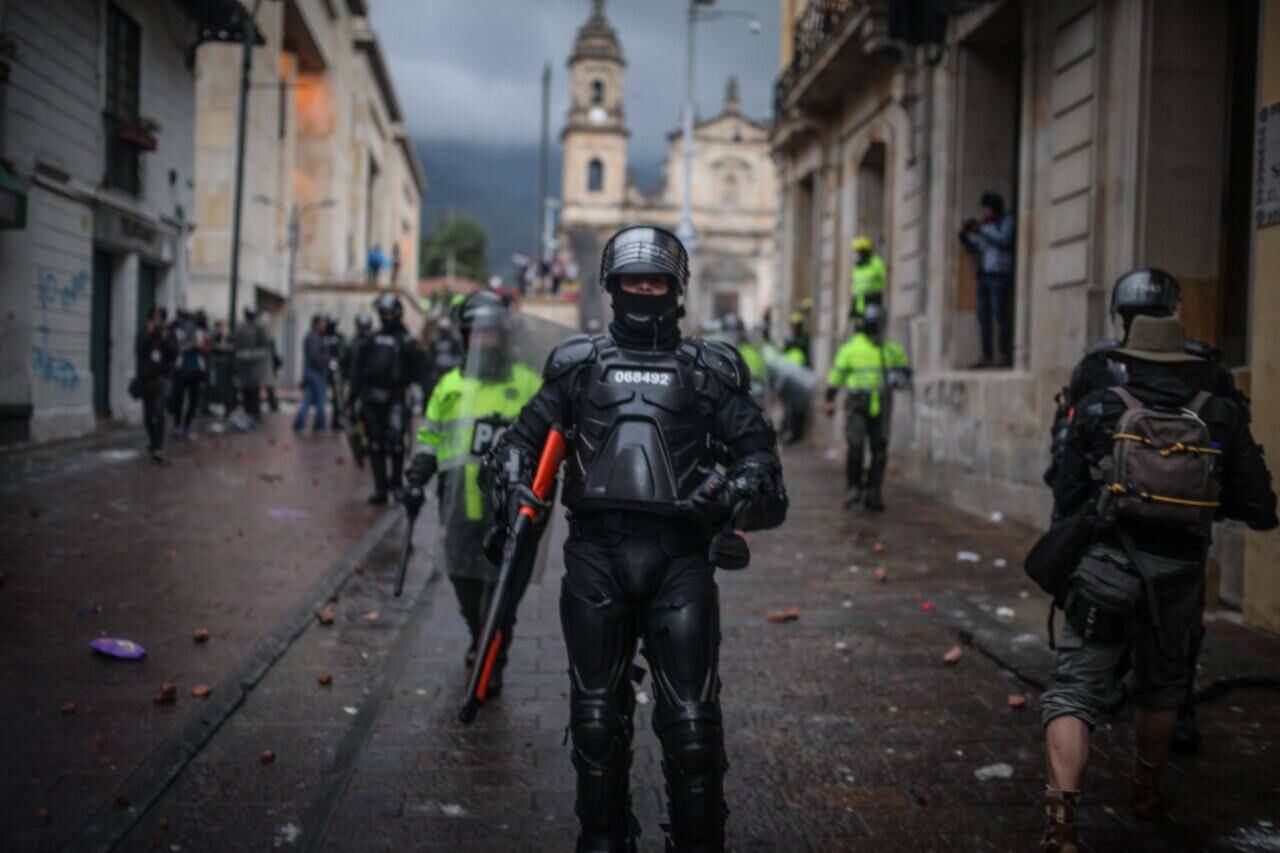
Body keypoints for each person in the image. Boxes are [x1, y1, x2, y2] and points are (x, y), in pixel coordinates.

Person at [482, 224, 788, 851]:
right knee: (596, 721)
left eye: (655, 280)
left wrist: (732, 492)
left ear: (676, 289)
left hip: (682, 562)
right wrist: (513, 483)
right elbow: (518, 442)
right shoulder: (577, 367)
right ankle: (603, 838)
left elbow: (764, 467)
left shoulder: (711, 370)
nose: (644, 289)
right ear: (612, 286)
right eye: (633, 280)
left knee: (694, 727)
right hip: (596, 557)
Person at [1037, 315, 1276, 852]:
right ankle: (1145, 793)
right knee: (1164, 687)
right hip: (1181, 577)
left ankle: (1061, 825)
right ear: (1183, 360)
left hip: (1105, 570)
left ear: (1130, 358)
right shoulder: (1219, 414)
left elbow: (1066, 495)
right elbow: (1261, 508)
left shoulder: (1100, 407)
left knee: (1074, 691)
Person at [402, 292, 543, 690]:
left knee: (505, 592)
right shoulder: (448, 387)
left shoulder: (529, 383)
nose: (484, 341)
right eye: (476, 334)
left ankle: (493, 652)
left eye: (491, 334)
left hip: (513, 512)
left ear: (504, 336)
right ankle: (478, 633)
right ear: (466, 337)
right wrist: (415, 479)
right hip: (460, 507)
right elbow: (430, 438)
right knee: (466, 583)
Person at [824, 303, 910, 512]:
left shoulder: (889, 348)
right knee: (855, 446)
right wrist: (830, 399)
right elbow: (836, 376)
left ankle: (873, 493)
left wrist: (900, 375)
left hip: (882, 402)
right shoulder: (851, 348)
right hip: (857, 403)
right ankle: (854, 488)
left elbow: (904, 371)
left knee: (879, 450)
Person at [348, 292, 425, 504]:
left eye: (391, 313)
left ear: (398, 313)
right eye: (384, 313)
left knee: (396, 444)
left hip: (396, 397)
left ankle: (396, 486)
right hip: (371, 398)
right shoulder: (371, 340)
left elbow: (419, 371)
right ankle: (380, 488)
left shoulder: (406, 340)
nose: (387, 317)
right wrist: (351, 399)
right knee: (375, 445)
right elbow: (358, 371)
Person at [959, 191, 1015, 367]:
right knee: (983, 317)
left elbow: (1004, 239)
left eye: (988, 209)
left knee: (1000, 315)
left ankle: (1004, 353)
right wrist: (966, 237)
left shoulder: (1005, 221)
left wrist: (981, 230)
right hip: (984, 276)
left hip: (1000, 275)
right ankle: (986, 354)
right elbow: (977, 245)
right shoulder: (986, 226)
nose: (985, 213)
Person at [135, 307, 177, 461]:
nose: (157, 320)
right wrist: (149, 334)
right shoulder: (144, 332)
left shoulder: (169, 334)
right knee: (147, 416)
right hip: (147, 378)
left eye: (160, 318)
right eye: (155, 317)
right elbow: (139, 350)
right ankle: (153, 442)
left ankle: (158, 447)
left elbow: (174, 352)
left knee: (159, 413)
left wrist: (165, 339)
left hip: (162, 378)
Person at [232, 305, 270, 423]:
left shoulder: (259, 328)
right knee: (245, 390)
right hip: (243, 365)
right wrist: (241, 354)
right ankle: (247, 413)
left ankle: (255, 414)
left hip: (255, 366)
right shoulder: (240, 328)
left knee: (254, 390)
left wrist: (253, 354)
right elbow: (236, 345)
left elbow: (264, 347)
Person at [294, 315, 329, 434]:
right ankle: (319, 423)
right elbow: (315, 356)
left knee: (308, 399)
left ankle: (299, 422)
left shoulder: (313, 336)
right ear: (316, 324)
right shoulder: (314, 338)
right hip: (316, 373)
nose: (324, 326)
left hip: (311, 372)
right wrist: (324, 363)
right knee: (320, 399)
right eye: (322, 323)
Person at [720, 312, 766, 399]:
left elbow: (757, 379)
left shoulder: (748, 352)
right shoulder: (718, 351)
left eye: (735, 332)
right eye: (728, 332)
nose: (732, 336)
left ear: (741, 333)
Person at [849, 235, 886, 318]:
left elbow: (886, 279)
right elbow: (855, 287)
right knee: (858, 328)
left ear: (866, 251)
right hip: (859, 303)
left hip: (872, 301)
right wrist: (853, 307)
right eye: (856, 252)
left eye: (859, 252)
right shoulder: (858, 267)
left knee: (870, 326)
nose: (857, 254)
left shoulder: (876, 263)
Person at [323, 313, 346, 430]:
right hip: (323, 370)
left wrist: (338, 363)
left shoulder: (339, 337)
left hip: (336, 371)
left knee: (337, 398)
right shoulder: (323, 336)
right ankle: (320, 421)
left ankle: (336, 421)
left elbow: (343, 353)